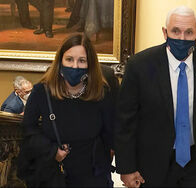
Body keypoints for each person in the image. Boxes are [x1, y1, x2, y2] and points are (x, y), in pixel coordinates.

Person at [115, 6, 196, 187]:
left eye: (189, 32)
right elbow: (125, 120)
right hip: (153, 162)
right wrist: (126, 167)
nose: (182, 38)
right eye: (175, 31)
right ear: (165, 32)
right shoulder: (140, 65)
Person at [17, 33, 119, 187]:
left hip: (92, 177)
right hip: (53, 175)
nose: (75, 66)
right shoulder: (41, 92)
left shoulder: (101, 93)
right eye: (69, 59)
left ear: (90, 64)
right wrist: (51, 151)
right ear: (60, 61)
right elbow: (28, 129)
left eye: (82, 61)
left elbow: (111, 133)